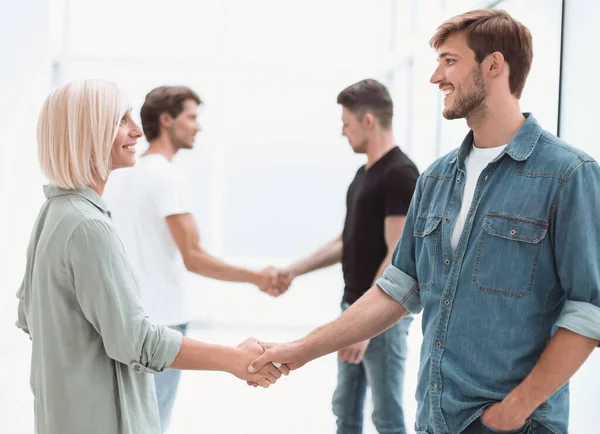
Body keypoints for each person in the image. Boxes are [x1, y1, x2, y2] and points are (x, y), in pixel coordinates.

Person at [248, 9, 600, 434]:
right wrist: (301, 349)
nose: (436, 77)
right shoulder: (434, 179)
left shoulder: (568, 175)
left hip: (515, 425)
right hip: (435, 419)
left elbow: (588, 312)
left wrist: (513, 411)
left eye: (449, 61)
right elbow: (396, 290)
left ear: (493, 65)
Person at [15, 79, 288, 434]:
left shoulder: (53, 212)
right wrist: (234, 358)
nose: (136, 131)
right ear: (88, 131)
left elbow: (28, 315)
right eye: (120, 119)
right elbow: (136, 340)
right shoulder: (88, 225)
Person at [103, 85, 287, 432]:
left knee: (128, 419)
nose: (197, 126)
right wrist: (258, 277)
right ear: (166, 120)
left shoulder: (123, 176)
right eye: (191, 117)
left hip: (127, 318)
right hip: (163, 322)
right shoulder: (167, 176)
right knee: (152, 420)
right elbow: (195, 256)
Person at [274, 79, 418, 434]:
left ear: (368, 120)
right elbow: (347, 240)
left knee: (386, 418)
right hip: (352, 309)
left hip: (380, 319)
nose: (343, 133)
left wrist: (365, 324)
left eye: (346, 124)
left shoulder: (400, 174)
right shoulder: (363, 175)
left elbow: (396, 255)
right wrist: (293, 270)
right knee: (346, 411)